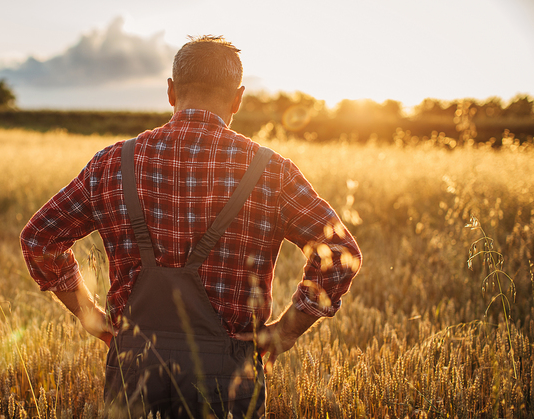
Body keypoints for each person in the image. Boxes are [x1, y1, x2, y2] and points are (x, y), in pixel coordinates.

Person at [20, 35, 361, 418]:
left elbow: (39, 238)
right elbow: (341, 253)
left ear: (170, 91)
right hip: (228, 374)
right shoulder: (272, 171)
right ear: (238, 98)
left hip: (134, 365)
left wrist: (89, 315)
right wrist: (286, 331)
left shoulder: (112, 162)